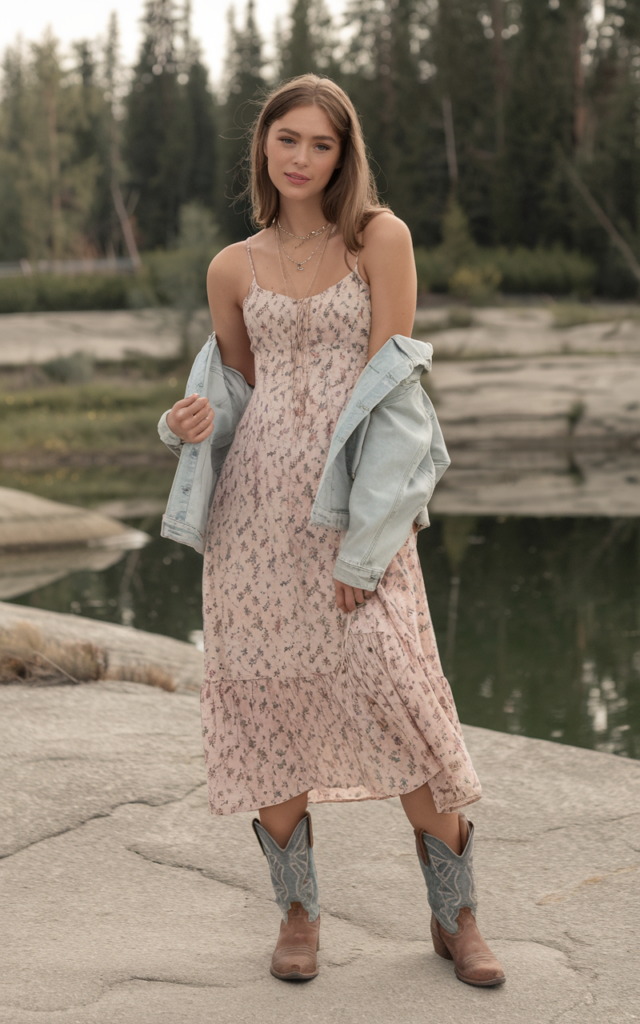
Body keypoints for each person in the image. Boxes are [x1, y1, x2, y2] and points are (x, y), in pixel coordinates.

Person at [159, 74, 505, 988]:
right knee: (265, 700)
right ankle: (301, 914)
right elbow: (233, 394)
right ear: (263, 150)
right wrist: (189, 423)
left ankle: (456, 913)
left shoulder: (378, 239)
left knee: (401, 697)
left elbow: (394, 397)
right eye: (288, 141)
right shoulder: (231, 265)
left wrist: (366, 544)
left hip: (355, 505)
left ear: (344, 155)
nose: (302, 158)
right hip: (254, 518)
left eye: (321, 144)